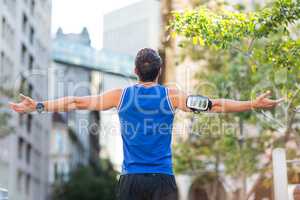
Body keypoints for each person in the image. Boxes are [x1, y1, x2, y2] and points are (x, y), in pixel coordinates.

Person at [10, 48, 283, 200]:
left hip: (130, 181)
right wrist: (252, 103)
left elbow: (76, 103)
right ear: (159, 71)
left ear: (135, 71)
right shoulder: (173, 97)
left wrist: (38, 105)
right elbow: (217, 105)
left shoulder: (121, 96)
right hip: (163, 181)